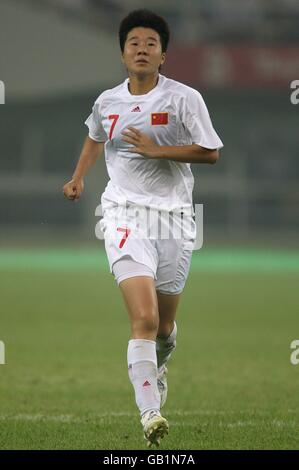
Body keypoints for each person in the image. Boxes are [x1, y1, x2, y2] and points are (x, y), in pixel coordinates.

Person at [63, 9, 223, 447]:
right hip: (123, 214)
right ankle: (150, 413)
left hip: (173, 218)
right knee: (145, 318)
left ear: (163, 55)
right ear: (122, 53)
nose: (141, 49)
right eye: (134, 42)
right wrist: (79, 176)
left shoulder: (184, 99)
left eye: (150, 43)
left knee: (165, 329)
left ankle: (159, 364)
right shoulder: (107, 101)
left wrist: (159, 151)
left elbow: (211, 153)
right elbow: (96, 136)